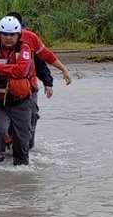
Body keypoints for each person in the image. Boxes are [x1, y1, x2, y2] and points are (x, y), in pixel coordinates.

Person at [5, 11, 72, 149]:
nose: (10, 37)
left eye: (15, 32)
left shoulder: (30, 38)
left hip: (29, 89)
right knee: (6, 122)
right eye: (7, 32)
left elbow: (44, 59)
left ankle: (28, 147)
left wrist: (60, 72)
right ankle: (8, 143)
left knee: (32, 116)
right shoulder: (0, 40)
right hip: (5, 89)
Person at [0, 16, 36, 165]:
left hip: (21, 102)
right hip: (0, 102)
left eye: (13, 34)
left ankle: (21, 170)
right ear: (0, 34)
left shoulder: (24, 48)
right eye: (5, 34)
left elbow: (21, 71)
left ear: (18, 35)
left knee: (22, 141)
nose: (9, 38)